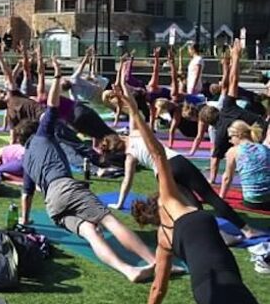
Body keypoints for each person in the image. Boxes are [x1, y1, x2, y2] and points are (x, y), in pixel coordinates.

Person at [119, 78, 269, 304]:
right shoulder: (170, 203)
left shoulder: (163, 240)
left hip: (208, 293)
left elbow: (159, 287)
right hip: (224, 288)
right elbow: (157, 154)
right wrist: (134, 110)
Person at [20, 56, 157, 283]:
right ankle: (154, 262)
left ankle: (128, 270)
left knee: (90, 233)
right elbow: (53, 105)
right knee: (108, 221)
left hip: (52, 206)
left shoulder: (26, 159)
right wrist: (56, 75)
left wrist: (24, 221)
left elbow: (26, 195)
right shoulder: (42, 136)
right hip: (64, 187)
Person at [108, 80, 263, 241]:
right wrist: (123, 89)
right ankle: (247, 230)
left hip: (162, 175)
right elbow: (134, 110)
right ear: (120, 136)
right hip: (176, 162)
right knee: (210, 197)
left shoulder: (129, 157)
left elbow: (127, 181)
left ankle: (219, 235)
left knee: (193, 207)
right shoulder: (134, 133)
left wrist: (119, 204)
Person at [196, 41, 266, 183]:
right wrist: (235, 57)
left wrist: (212, 179)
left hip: (261, 138)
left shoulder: (220, 135)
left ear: (209, 124)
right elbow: (233, 81)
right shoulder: (227, 106)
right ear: (216, 109)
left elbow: (214, 160)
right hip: (264, 127)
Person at [220, 120, 270, 211]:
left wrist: (221, 198)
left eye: (231, 137)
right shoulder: (264, 148)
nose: (230, 141)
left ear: (238, 135)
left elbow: (227, 178)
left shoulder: (233, 151)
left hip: (252, 201)